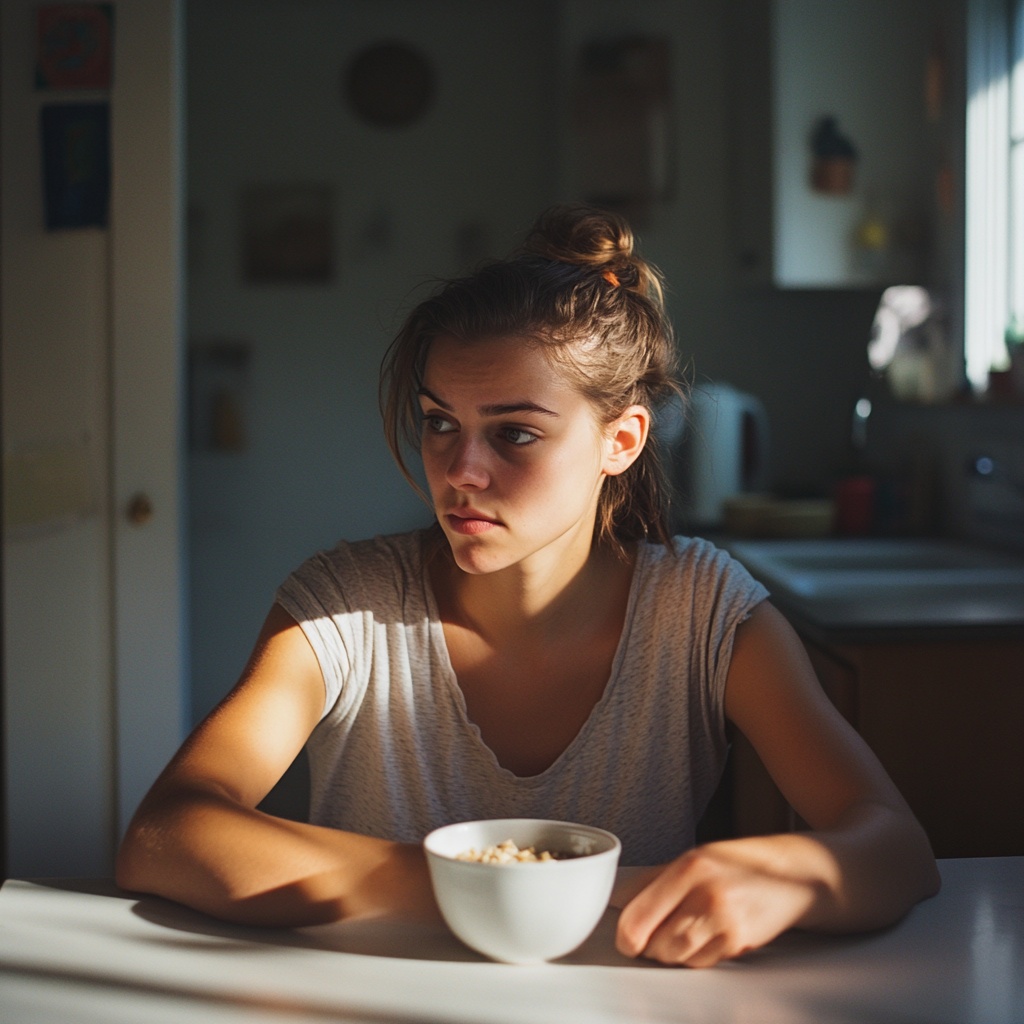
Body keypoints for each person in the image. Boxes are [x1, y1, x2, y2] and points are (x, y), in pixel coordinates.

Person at [116, 203, 939, 967]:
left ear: (621, 440)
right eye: (441, 423)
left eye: (514, 433)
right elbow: (167, 832)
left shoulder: (702, 613)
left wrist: (798, 872)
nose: (460, 472)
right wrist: (489, 892)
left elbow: (896, 848)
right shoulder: (344, 604)